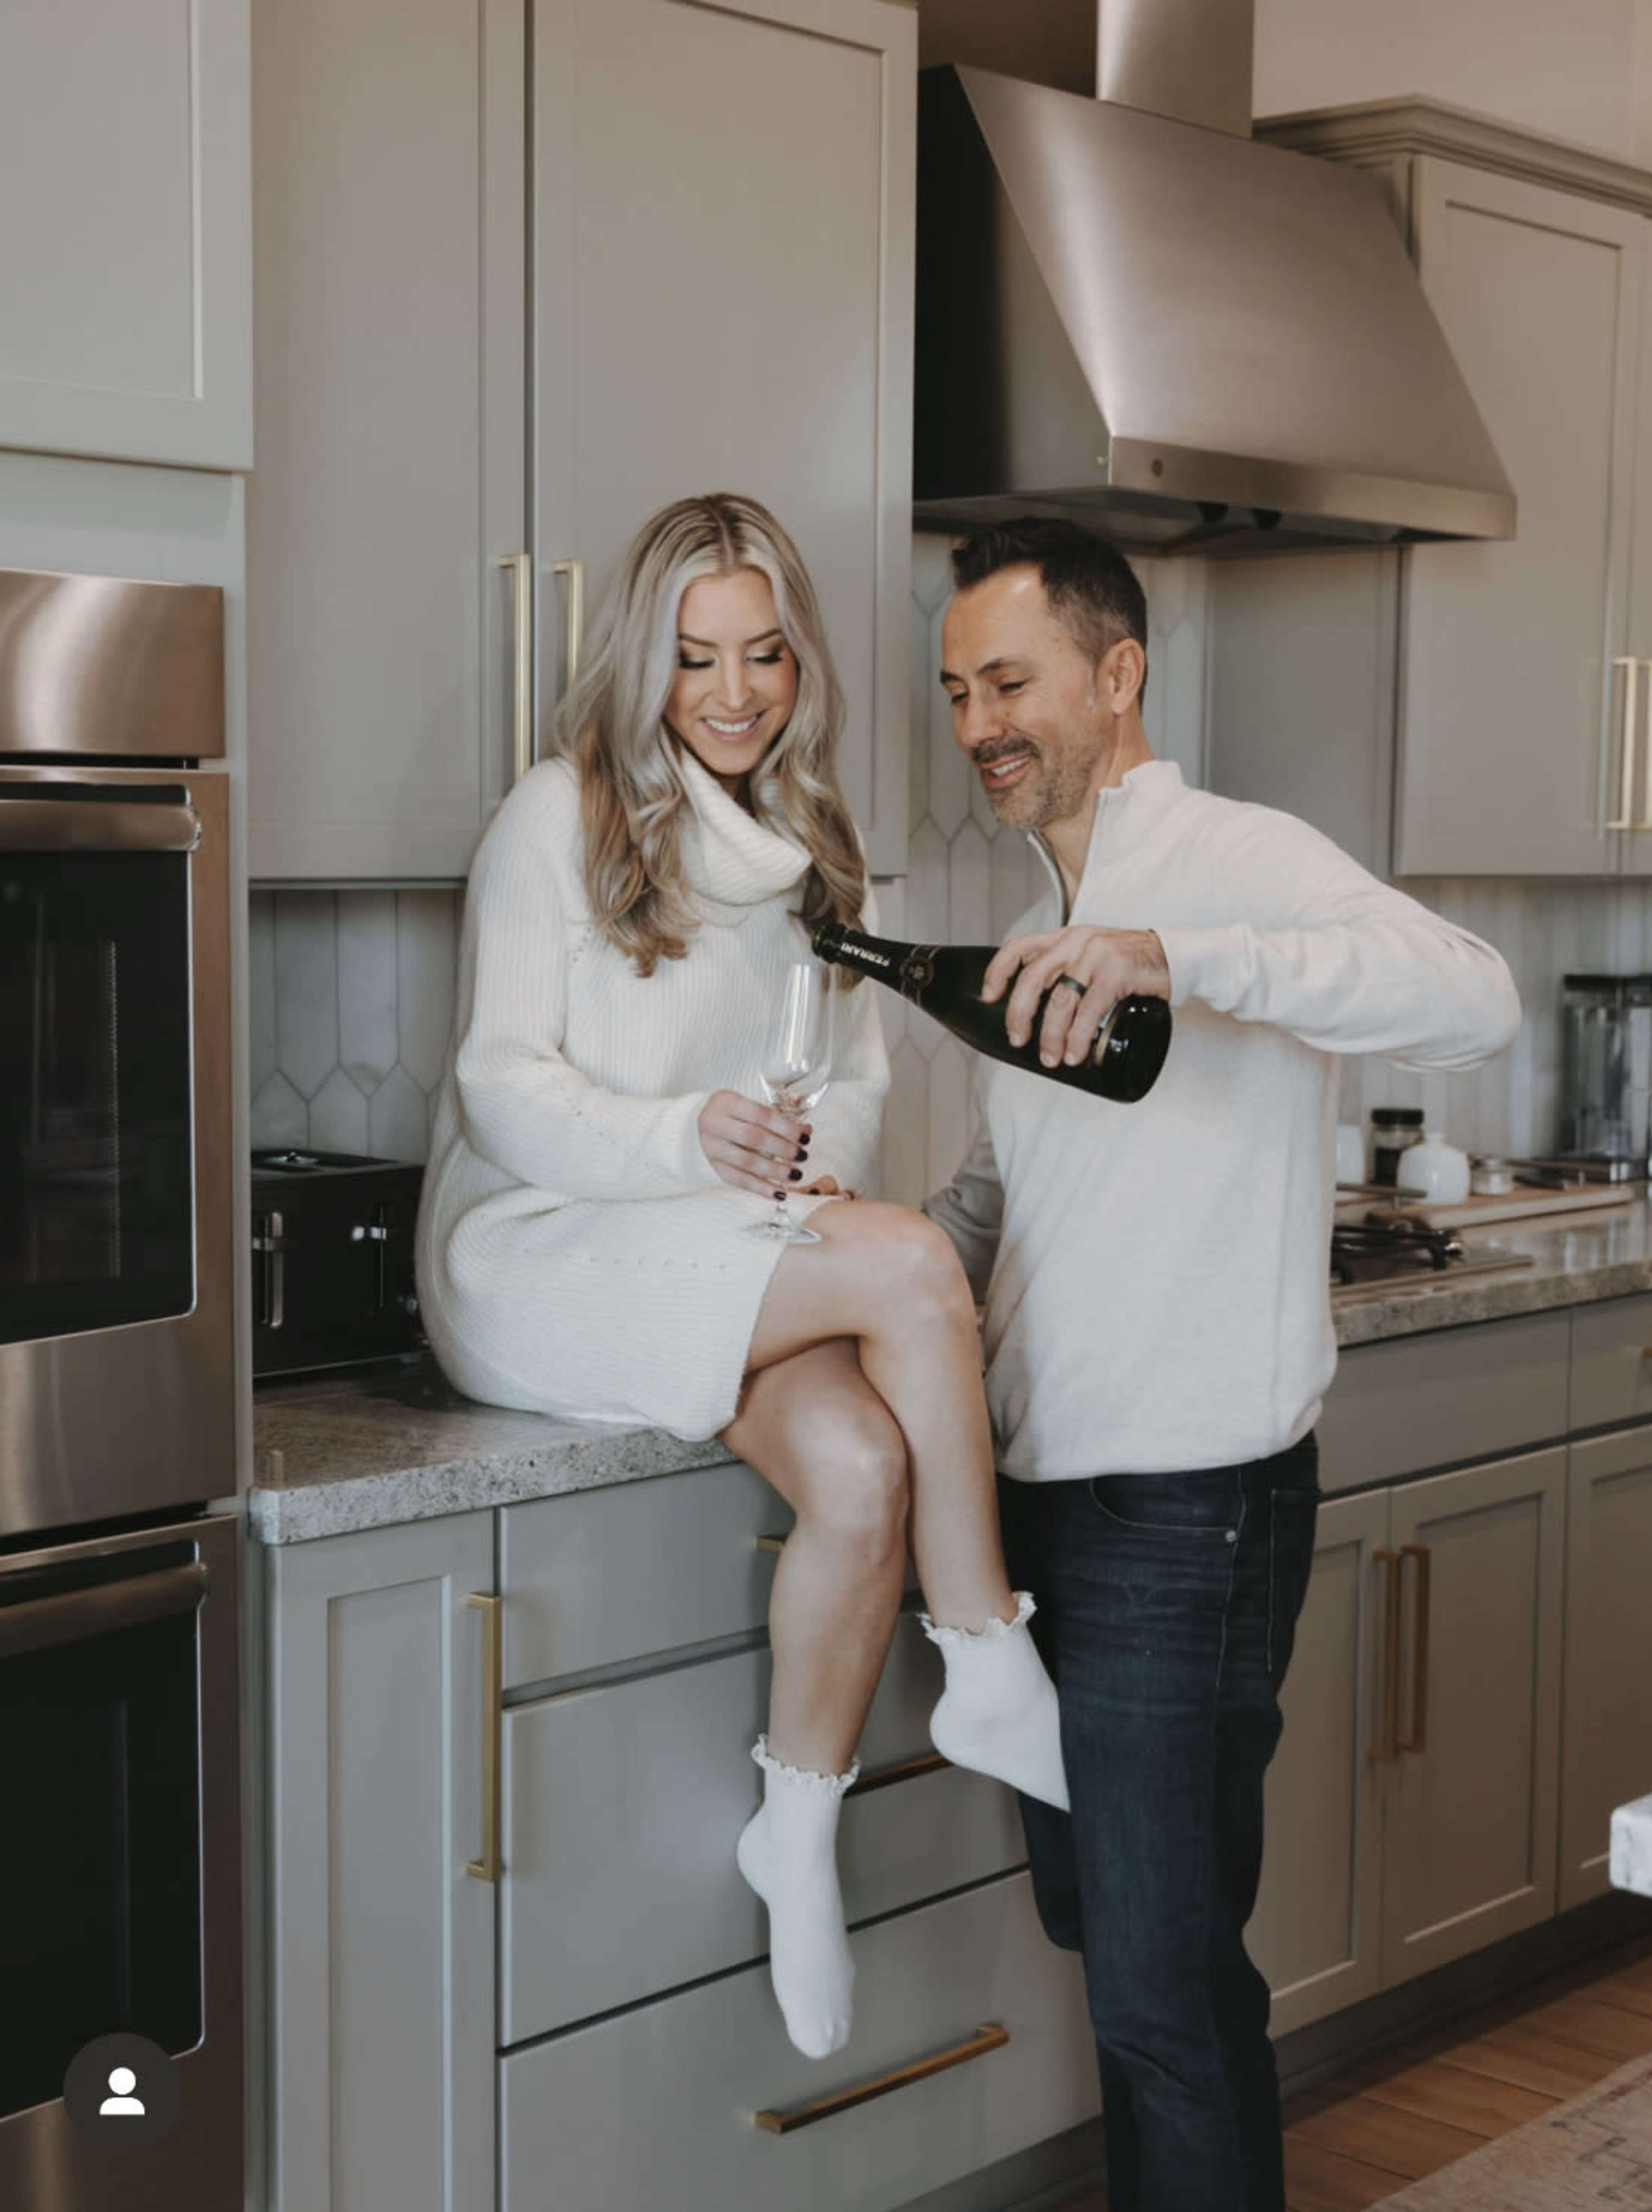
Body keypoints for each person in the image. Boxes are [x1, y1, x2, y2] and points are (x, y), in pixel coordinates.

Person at [414, 493, 1068, 2063]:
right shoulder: (554, 817)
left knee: (858, 1462)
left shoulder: (810, 840)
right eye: (698, 657)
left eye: (764, 653)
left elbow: (845, 1072)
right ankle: (984, 1649)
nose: (732, 690)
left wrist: (803, 1152)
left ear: (799, 661)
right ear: (645, 661)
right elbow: (501, 1086)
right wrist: (686, 1139)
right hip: (536, 1244)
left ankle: (797, 1830)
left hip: (714, 1234)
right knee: (913, 1264)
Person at [922, 518, 1522, 2211]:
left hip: (1190, 1517)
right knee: (1120, 1948)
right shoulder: (1042, 907)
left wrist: (1186, 958)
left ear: (1117, 678)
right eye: (961, 689)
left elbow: (1477, 1000)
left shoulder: (1234, 859)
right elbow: (1002, 1198)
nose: (981, 721)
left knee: (1165, 1987)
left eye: (1013, 680)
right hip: (1044, 1515)